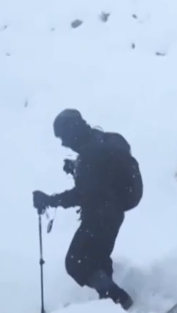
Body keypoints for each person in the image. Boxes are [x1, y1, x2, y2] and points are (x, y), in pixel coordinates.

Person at [32, 109, 143, 311]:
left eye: (63, 137)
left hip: (99, 217)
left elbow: (82, 194)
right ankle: (109, 305)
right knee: (98, 261)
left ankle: (121, 301)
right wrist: (77, 167)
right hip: (114, 213)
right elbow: (104, 174)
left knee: (76, 264)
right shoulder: (107, 140)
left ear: (73, 132)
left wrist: (50, 200)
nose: (64, 143)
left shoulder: (90, 157)